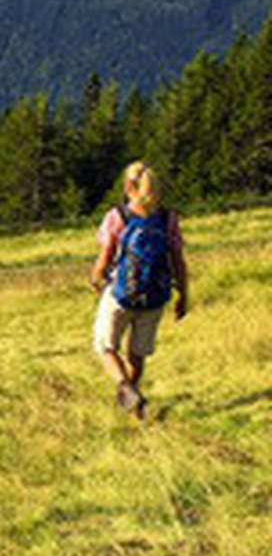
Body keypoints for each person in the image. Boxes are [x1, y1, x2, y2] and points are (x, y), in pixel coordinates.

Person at [89, 161, 189, 419]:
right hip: (155, 298)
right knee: (137, 354)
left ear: (128, 187)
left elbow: (105, 256)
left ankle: (125, 388)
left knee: (105, 346)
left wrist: (96, 278)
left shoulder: (118, 217)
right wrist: (183, 295)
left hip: (121, 295)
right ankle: (136, 408)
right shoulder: (168, 219)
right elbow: (178, 260)